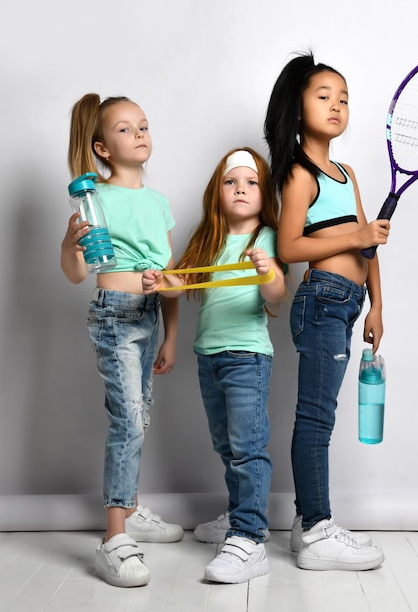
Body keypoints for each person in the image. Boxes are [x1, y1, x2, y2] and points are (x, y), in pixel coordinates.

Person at [264, 52, 390, 571]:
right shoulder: (299, 173)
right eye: (323, 96)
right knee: (316, 418)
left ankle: (304, 522)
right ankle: (317, 531)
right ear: (298, 108)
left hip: (349, 303)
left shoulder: (346, 172)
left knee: (321, 416)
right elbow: (289, 247)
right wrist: (356, 234)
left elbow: (369, 247)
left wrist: (377, 304)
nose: (337, 105)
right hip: (320, 301)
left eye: (343, 98)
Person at [143, 148, 286, 583]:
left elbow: (277, 294)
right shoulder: (207, 237)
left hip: (248, 356)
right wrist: (159, 282)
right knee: (227, 447)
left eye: (251, 183)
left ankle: (249, 537)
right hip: (208, 355)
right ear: (216, 193)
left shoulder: (266, 238)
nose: (240, 189)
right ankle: (237, 515)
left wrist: (267, 272)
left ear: (264, 195)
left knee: (248, 447)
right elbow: (178, 285)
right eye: (231, 182)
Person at [61, 94, 184, 588]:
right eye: (125, 129)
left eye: (144, 126)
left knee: (141, 415)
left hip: (149, 316)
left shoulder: (159, 204)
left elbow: (172, 279)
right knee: (128, 418)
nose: (139, 134)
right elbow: (75, 274)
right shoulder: (95, 198)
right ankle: (114, 537)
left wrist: (171, 337)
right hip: (114, 315)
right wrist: (70, 243)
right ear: (102, 148)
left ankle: (129, 509)